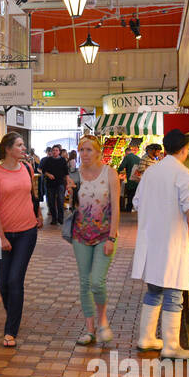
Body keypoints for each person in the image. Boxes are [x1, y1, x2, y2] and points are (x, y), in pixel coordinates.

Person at [131, 129, 189, 359]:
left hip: (151, 240)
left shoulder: (151, 172)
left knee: (154, 289)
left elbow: (137, 202)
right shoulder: (183, 173)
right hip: (172, 240)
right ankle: (171, 346)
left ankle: (147, 338)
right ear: (183, 149)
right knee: (173, 292)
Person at [0, 133, 44, 347]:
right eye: (19, 145)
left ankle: (11, 330)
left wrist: (38, 214)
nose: (23, 148)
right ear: (8, 149)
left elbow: (32, 194)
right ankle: (14, 313)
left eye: (23, 144)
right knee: (2, 283)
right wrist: (1, 236)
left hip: (27, 232)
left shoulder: (27, 168)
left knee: (14, 279)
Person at [68, 134, 121, 346]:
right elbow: (70, 206)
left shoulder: (110, 174)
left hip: (104, 235)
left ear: (98, 152)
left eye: (89, 150)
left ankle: (103, 321)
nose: (84, 154)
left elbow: (116, 207)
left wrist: (112, 236)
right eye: (81, 150)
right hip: (80, 235)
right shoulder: (75, 174)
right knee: (84, 282)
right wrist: (68, 191)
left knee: (97, 282)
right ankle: (90, 330)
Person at [40, 145, 70, 224]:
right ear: (51, 151)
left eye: (56, 150)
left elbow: (66, 173)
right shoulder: (48, 160)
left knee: (60, 201)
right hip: (50, 184)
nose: (55, 152)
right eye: (53, 150)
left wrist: (68, 183)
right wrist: (48, 174)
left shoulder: (63, 160)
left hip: (60, 183)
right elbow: (43, 170)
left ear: (59, 152)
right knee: (51, 202)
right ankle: (54, 219)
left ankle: (60, 218)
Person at [117, 141, 142, 212]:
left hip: (130, 181)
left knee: (130, 196)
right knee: (136, 195)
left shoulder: (127, 157)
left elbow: (121, 167)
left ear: (126, 153)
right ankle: (135, 209)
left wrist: (116, 173)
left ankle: (128, 209)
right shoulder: (138, 158)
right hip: (137, 180)